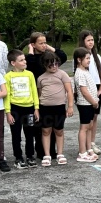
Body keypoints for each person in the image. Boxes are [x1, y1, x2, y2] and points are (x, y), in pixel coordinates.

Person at [25, 32, 68, 160]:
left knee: (53, 126)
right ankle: (40, 150)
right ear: (33, 44)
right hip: (37, 95)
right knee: (38, 126)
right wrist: (31, 51)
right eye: (41, 43)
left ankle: (52, 150)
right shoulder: (31, 58)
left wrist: (50, 48)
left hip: (52, 99)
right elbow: (30, 64)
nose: (44, 45)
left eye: (45, 42)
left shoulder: (48, 57)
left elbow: (63, 57)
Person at [36, 50, 74, 166]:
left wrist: (70, 106)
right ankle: (47, 155)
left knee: (59, 131)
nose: (54, 66)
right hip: (45, 108)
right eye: (50, 64)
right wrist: (37, 109)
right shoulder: (41, 78)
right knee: (46, 131)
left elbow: (69, 91)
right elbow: (39, 94)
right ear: (44, 65)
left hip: (59, 107)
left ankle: (60, 153)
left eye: (56, 63)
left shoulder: (62, 74)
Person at [4, 49, 39, 169]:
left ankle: (30, 156)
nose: (25, 61)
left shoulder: (29, 74)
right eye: (21, 60)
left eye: (24, 59)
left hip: (29, 108)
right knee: (16, 134)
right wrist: (8, 112)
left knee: (30, 134)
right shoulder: (8, 76)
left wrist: (36, 108)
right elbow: (7, 96)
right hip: (15, 109)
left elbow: (34, 91)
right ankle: (18, 157)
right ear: (13, 63)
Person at [77, 30, 101, 155]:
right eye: (88, 40)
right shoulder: (79, 57)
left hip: (96, 87)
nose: (91, 42)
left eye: (92, 40)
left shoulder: (97, 56)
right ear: (83, 41)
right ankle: (85, 146)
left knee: (94, 117)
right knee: (86, 119)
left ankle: (92, 143)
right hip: (86, 89)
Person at [73, 47, 99, 163]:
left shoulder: (85, 71)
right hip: (85, 104)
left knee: (89, 126)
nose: (89, 61)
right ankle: (82, 152)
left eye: (90, 58)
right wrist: (93, 102)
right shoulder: (79, 73)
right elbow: (84, 91)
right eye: (87, 58)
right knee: (84, 128)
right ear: (79, 60)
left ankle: (88, 149)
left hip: (90, 104)